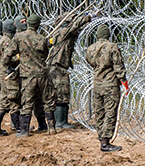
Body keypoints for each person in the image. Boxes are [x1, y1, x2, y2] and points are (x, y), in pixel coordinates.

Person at [5, 12, 54, 137]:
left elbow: (7, 54)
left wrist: (9, 66)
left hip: (28, 75)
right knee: (47, 100)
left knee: (27, 102)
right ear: (38, 25)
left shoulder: (19, 37)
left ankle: (24, 131)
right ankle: (51, 128)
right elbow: (45, 55)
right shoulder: (42, 39)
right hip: (42, 74)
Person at [47, 10, 94, 129]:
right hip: (57, 68)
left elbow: (78, 28)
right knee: (61, 93)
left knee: (62, 93)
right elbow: (75, 25)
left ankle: (60, 121)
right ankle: (60, 123)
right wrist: (88, 16)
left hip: (59, 67)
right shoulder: (62, 32)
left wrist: (87, 17)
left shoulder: (66, 33)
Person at [85, 24, 128, 152]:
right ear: (108, 35)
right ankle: (105, 143)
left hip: (97, 84)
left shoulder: (91, 48)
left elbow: (89, 62)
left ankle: (101, 137)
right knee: (110, 112)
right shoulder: (112, 47)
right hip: (110, 85)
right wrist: (124, 82)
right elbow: (118, 67)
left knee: (99, 113)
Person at [0, 20, 21, 132]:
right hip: (8, 74)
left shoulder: (4, 39)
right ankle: (18, 127)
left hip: (2, 73)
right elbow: (8, 58)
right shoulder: (7, 41)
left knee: (4, 101)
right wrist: (19, 57)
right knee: (13, 99)